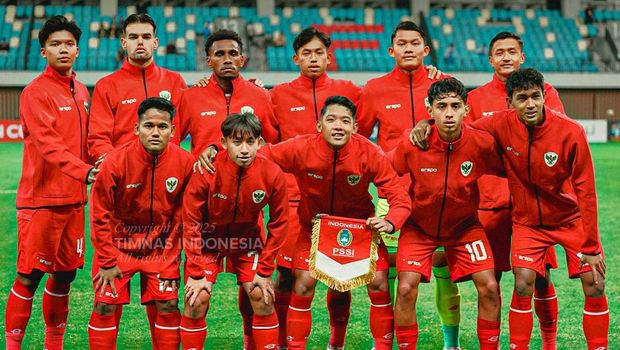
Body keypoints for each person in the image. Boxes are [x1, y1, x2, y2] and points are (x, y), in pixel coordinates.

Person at [413, 68, 608, 350]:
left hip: (570, 219)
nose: (530, 104)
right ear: (509, 103)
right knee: (523, 283)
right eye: (522, 98)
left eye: (535, 97)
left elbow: (587, 192)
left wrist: (591, 246)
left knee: (595, 283)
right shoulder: (498, 124)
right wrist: (428, 123)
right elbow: (458, 127)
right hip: (528, 223)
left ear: (544, 97)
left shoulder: (571, 132)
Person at [260, 96, 411, 349]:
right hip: (313, 230)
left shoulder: (369, 153)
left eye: (345, 121)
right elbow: (262, 155)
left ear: (355, 127)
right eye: (331, 120)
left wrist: (390, 222)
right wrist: (215, 154)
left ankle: (343, 345)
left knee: (379, 281)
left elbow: (400, 197)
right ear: (319, 125)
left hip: (360, 231)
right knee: (304, 283)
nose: (338, 126)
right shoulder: (301, 148)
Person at [355, 20, 457, 349]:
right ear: (391, 50)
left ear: (426, 50)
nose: (409, 48)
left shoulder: (444, 84)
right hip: (392, 197)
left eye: (415, 43)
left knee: (443, 270)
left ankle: (451, 342)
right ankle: (383, 342)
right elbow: (359, 139)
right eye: (402, 43)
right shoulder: (374, 89)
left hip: (438, 198)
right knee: (393, 274)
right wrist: (383, 164)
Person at [465, 31, 565, 349]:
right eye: (500, 52)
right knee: (491, 280)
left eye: (512, 51)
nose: (506, 57)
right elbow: (468, 143)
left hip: (534, 204)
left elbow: (559, 138)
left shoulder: (545, 92)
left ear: (522, 57)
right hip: (490, 202)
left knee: (540, 277)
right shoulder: (476, 99)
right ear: (490, 59)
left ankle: (548, 344)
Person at [5, 15, 99, 350]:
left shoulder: (83, 90)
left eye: (69, 44)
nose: (63, 49)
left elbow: (88, 141)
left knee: (65, 276)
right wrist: (84, 171)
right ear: (43, 50)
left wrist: (99, 162)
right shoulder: (34, 92)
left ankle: (53, 345)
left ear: (77, 50)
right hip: (41, 202)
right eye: (56, 44)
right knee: (29, 277)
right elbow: (48, 145)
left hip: (74, 202)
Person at [390, 78, 503, 350]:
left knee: (489, 286)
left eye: (455, 106)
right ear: (430, 110)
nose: (449, 113)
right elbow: (385, 172)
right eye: (442, 106)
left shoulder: (481, 143)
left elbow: (514, 168)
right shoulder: (414, 143)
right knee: (405, 288)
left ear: (466, 109)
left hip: (465, 228)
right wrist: (397, 204)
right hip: (418, 227)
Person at [268, 26, 362, 350]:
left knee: (340, 278)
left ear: (329, 56)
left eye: (318, 52)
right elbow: (267, 144)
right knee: (287, 276)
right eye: (306, 53)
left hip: (341, 202)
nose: (313, 58)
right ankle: (283, 342)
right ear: (296, 58)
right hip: (292, 201)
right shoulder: (277, 94)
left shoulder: (349, 89)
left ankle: (336, 343)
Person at [87, 97, 193, 349]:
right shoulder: (115, 162)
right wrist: (107, 261)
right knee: (105, 304)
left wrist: (169, 260)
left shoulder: (185, 163)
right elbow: (99, 215)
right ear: (137, 129)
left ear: (173, 130)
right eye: (148, 126)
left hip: (160, 250)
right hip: (117, 248)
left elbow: (182, 219)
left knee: (168, 303)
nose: (155, 132)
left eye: (162, 127)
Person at [180, 112, 289, 349]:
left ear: (259, 143)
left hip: (248, 242)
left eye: (250, 142)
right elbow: (190, 222)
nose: (244, 149)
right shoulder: (207, 171)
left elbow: (279, 224)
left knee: (263, 295)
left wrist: (265, 269)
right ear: (224, 142)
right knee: (196, 299)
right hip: (208, 243)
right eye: (237, 142)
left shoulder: (272, 174)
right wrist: (197, 272)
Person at [89, 13, 187, 163]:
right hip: (124, 173)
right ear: (124, 43)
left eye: (146, 37)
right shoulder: (107, 86)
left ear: (155, 42)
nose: (140, 42)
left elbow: (186, 126)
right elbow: (98, 138)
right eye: (133, 37)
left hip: (167, 172)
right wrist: (116, 166)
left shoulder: (175, 81)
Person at [176, 29, 278, 163]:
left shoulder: (260, 95)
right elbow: (172, 141)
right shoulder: (190, 97)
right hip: (205, 181)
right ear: (209, 61)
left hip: (249, 181)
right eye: (219, 54)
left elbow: (275, 144)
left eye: (233, 53)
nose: (227, 60)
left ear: (241, 60)